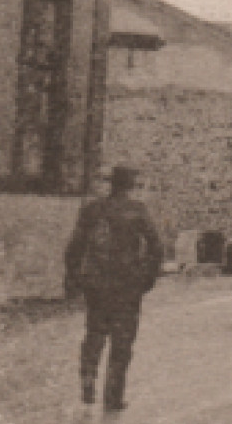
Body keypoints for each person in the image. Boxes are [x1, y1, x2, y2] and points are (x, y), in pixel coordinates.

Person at [64, 166, 164, 411]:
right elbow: (156, 246)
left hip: (97, 283)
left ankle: (88, 378)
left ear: (111, 184)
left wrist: (74, 275)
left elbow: (74, 247)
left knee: (94, 333)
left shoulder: (92, 209)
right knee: (122, 341)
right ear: (129, 185)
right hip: (127, 284)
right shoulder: (137, 210)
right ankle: (113, 395)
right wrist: (147, 277)